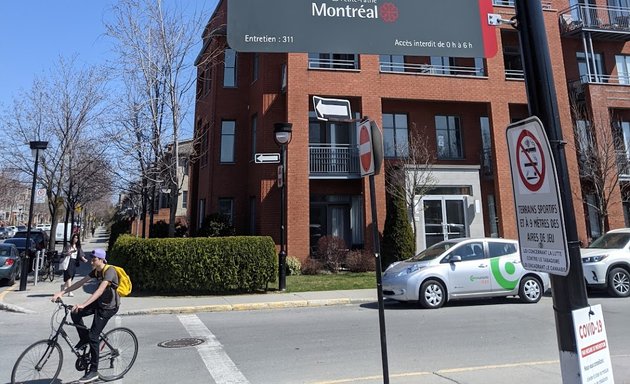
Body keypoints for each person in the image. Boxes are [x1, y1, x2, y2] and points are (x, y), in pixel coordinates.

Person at [51, 248, 120, 383]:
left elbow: (100, 291)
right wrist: (62, 293)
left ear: (101, 260)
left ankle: (93, 371)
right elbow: (80, 283)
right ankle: (84, 339)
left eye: (94, 259)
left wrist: (83, 304)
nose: (91, 262)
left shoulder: (109, 271)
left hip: (108, 308)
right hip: (99, 303)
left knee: (94, 336)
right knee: (75, 313)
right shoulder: (96, 271)